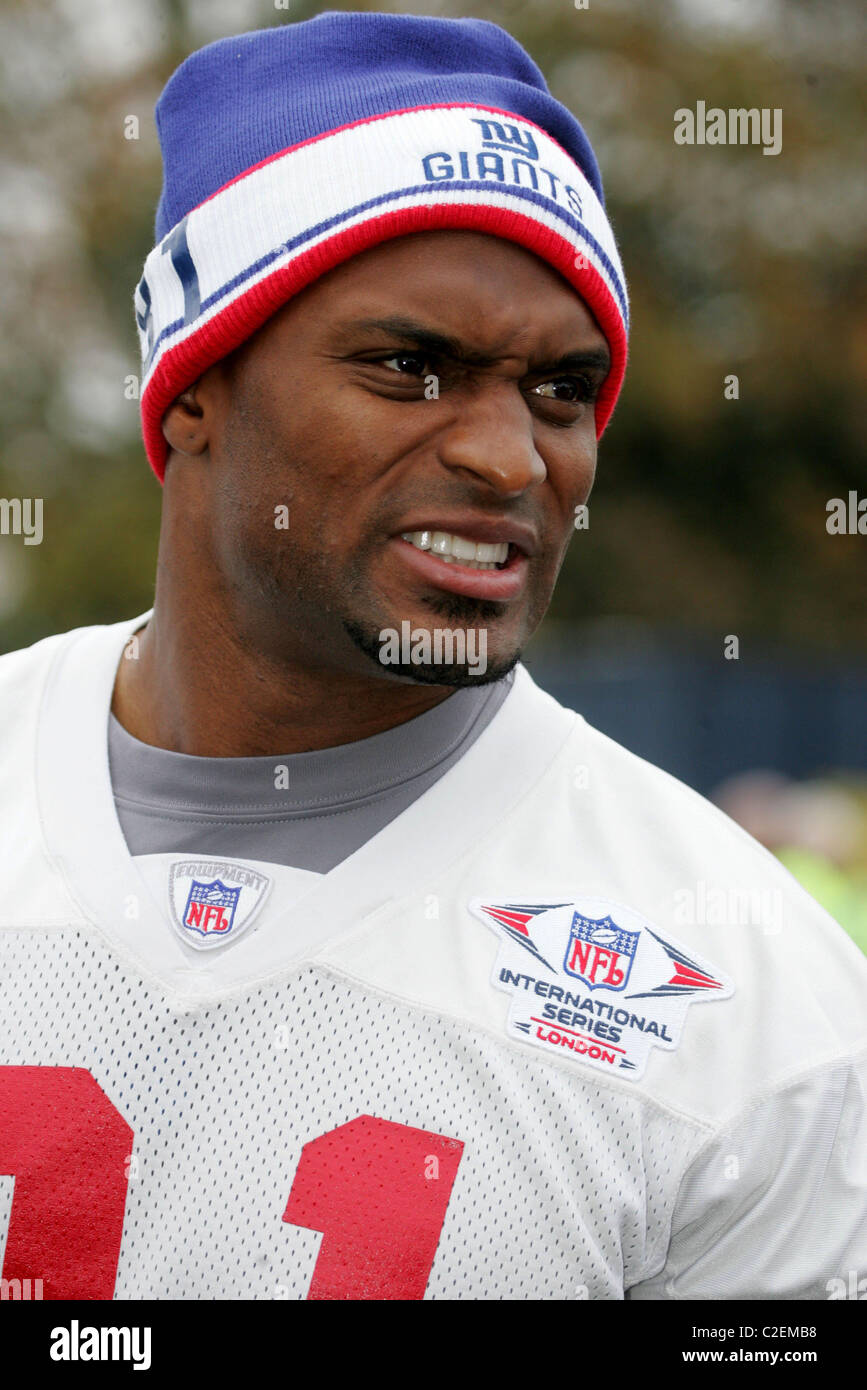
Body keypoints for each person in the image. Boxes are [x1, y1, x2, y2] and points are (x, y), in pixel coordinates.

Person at [0, 11, 863, 1301]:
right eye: (410, 368)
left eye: (561, 392)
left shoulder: (764, 1014)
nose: (511, 459)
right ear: (194, 388)